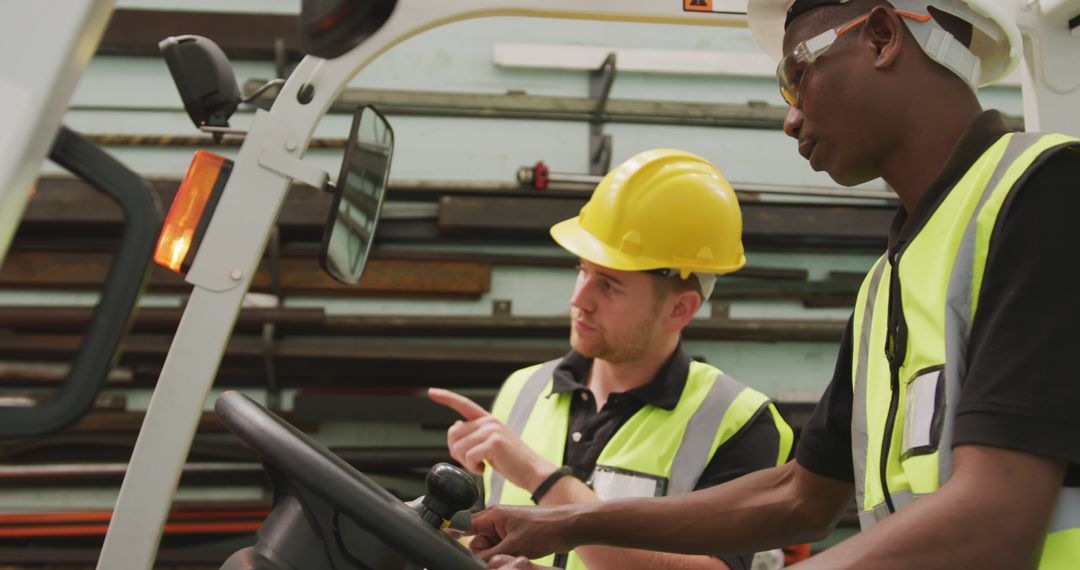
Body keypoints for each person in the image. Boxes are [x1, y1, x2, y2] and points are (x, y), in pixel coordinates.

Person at [467, 0, 1080, 568]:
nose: (790, 119)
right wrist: (566, 524)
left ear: (883, 36)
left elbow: (995, 515)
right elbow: (800, 493)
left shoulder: (1047, 191)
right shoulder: (888, 279)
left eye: (795, 75)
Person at [428, 149, 795, 570]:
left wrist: (539, 477)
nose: (579, 299)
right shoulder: (522, 389)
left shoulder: (740, 422)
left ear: (680, 309)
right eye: (583, 270)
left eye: (609, 285)